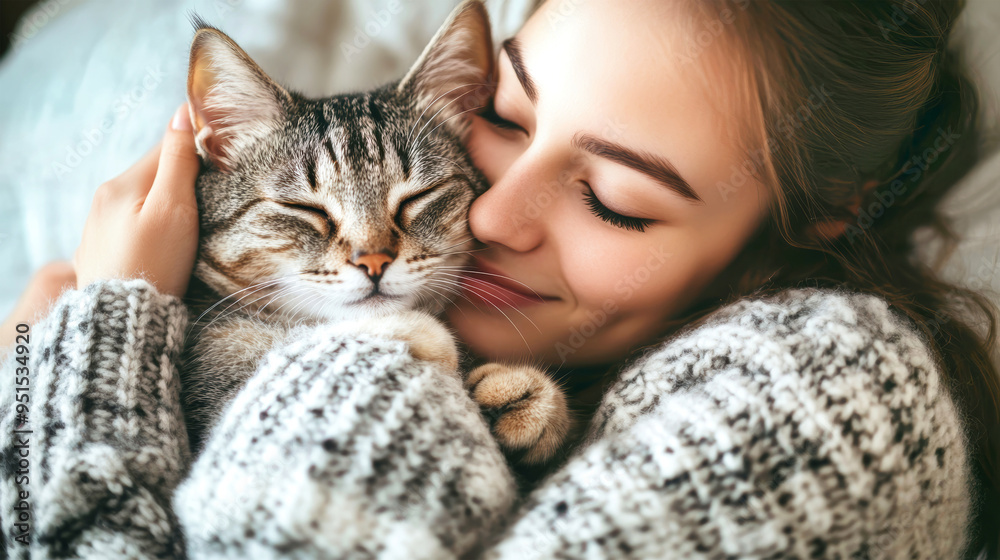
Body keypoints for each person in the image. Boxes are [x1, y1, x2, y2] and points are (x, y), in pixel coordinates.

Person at [2, 0, 998, 558]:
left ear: (816, 212)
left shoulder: (833, 402)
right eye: (506, 116)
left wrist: (87, 361)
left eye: (613, 196)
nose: (483, 215)